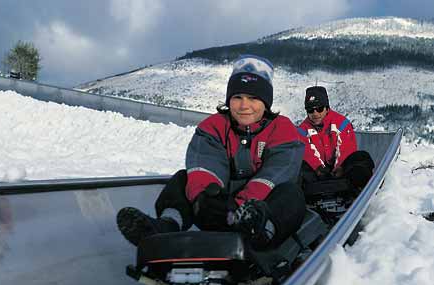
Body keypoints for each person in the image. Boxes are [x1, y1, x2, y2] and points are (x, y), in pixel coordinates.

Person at [117, 55, 306, 250]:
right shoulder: (213, 126)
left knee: (291, 194)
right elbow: (205, 163)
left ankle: (263, 233)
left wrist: (243, 207)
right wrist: (204, 199)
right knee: (182, 179)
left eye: (253, 98)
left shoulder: (282, 128)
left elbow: (279, 171)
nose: (244, 106)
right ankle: (165, 227)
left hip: (259, 210)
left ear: (265, 102)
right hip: (218, 209)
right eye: (237, 97)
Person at [297, 86, 374, 195]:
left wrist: (339, 168)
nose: (315, 113)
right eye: (310, 110)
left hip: (342, 170)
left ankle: (360, 191)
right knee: (297, 166)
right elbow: (307, 153)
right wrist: (318, 169)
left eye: (319, 109)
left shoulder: (341, 123)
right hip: (318, 174)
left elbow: (346, 148)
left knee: (361, 157)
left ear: (327, 108)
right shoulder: (302, 130)